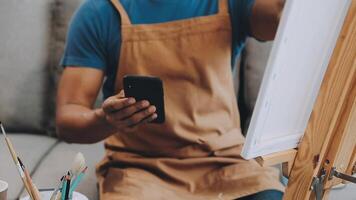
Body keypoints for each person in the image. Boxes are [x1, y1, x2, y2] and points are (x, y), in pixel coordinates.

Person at [56, 0, 285, 199]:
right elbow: (68, 119)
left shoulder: (232, 3)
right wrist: (106, 119)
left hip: (227, 161)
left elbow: (283, 18)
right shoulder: (99, 13)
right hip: (140, 170)